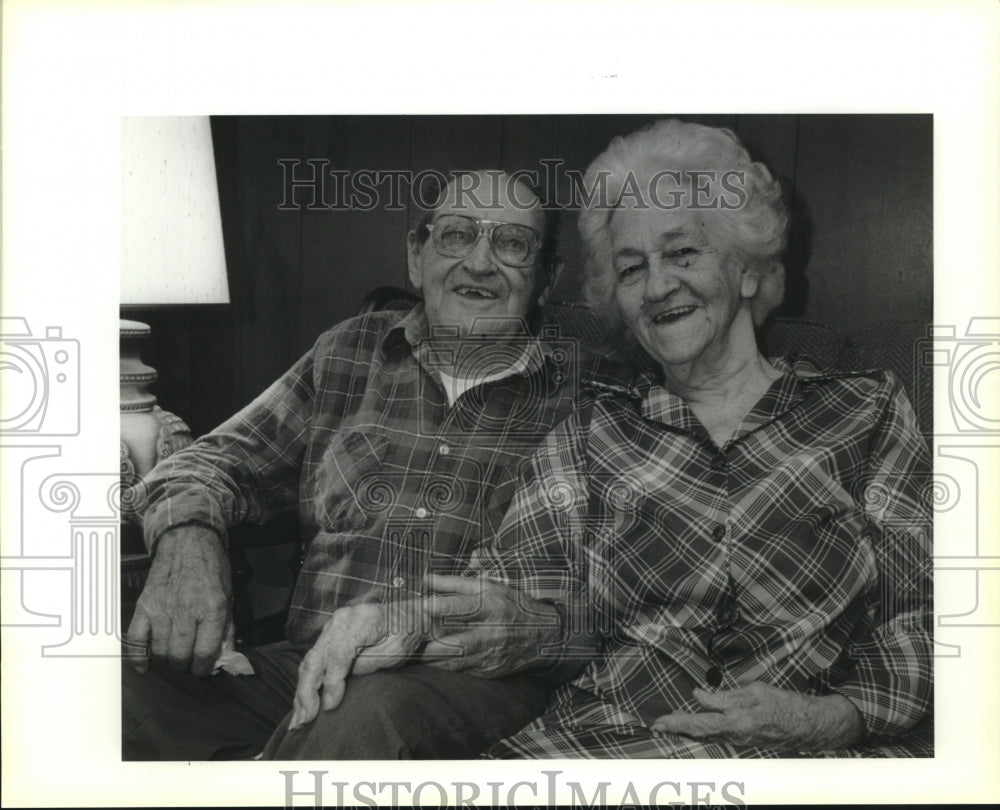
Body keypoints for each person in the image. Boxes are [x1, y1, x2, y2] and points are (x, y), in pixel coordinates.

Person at [311, 120, 933, 758]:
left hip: (805, 758)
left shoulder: (865, 412)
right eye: (632, 268)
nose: (658, 284)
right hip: (603, 752)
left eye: (683, 253)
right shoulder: (592, 433)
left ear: (747, 271)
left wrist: (831, 718)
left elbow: (924, 615)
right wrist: (392, 620)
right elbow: (506, 593)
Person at [122, 169, 625, 760]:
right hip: (301, 664)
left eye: (513, 244)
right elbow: (211, 461)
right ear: (417, 255)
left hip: (468, 679)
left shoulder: (595, 394)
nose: (480, 263)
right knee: (104, 691)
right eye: (457, 235)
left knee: (357, 724)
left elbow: (627, 593)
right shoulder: (351, 351)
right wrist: (189, 537)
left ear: (546, 277)